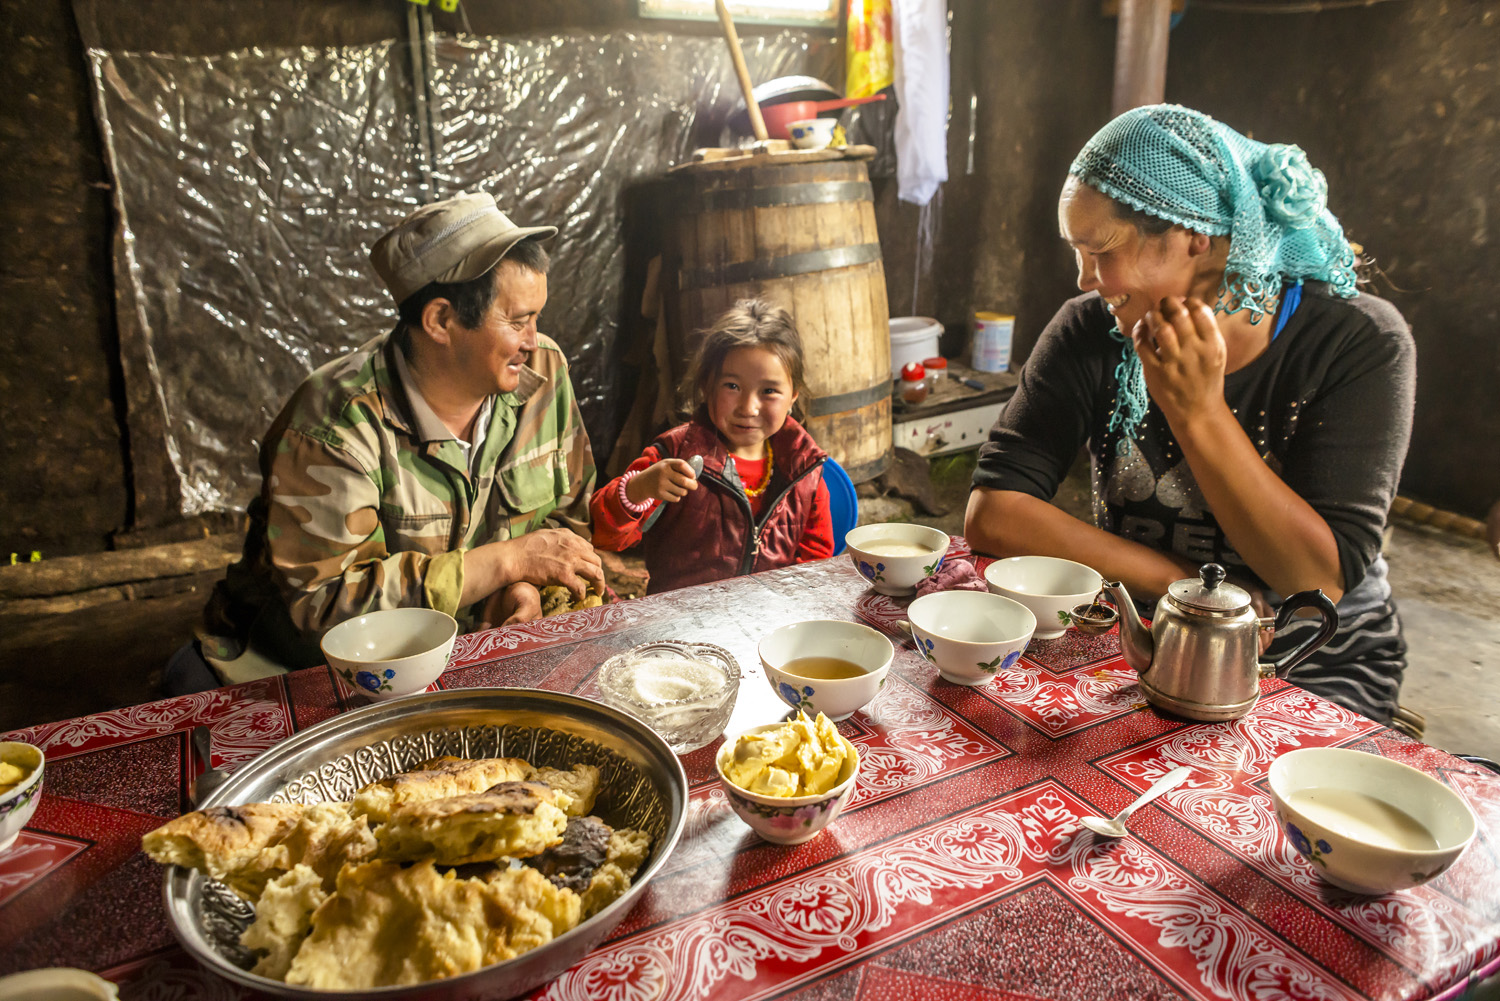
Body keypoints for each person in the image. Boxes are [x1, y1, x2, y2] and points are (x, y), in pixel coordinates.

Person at [965, 105, 1416, 725]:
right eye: (1077, 252)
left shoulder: (1356, 344)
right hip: (1156, 633)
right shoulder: (1090, 331)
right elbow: (996, 512)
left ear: (1192, 239)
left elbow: (1314, 580)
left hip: (1312, 657)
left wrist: (1198, 410)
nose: (1085, 279)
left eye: (1101, 250)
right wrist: (1182, 582)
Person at [174, 192, 603, 691]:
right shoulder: (334, 425)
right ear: (441, 320)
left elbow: (568, 520)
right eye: (517, 321)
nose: (534, 340)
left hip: (473, 646)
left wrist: (520, 586)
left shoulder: (542, 372)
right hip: (310, 668)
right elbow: (327, 606)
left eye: (537, 318)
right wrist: (506, 561)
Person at [591, 299, 835, 593]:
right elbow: (605, 536)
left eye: (769, 391)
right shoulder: (674, 458)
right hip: (679, 625)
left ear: (793, 396)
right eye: (732, 386)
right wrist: (640, 488)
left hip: (769, 627)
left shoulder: (804, 472)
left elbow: (814, 565)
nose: (748, 407)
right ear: (707, 385)